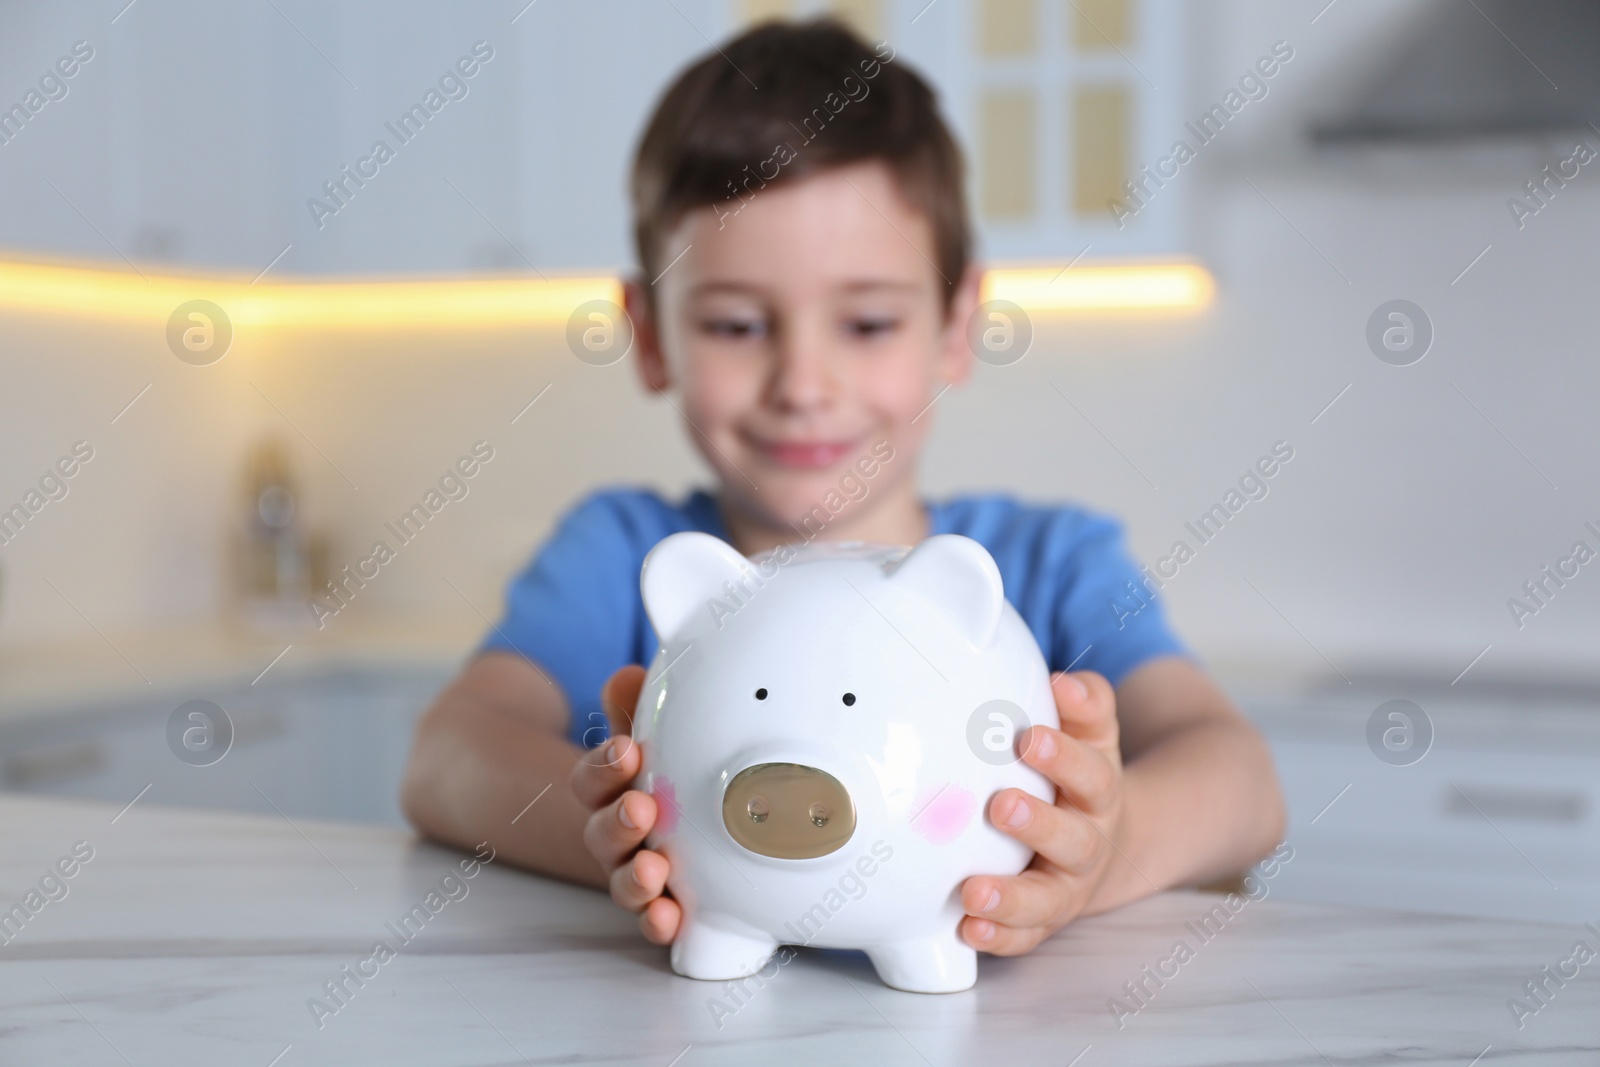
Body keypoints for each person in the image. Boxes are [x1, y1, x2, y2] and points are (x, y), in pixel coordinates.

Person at [401, 17, 1285, 961]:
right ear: (651, 336)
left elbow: (1243, 782)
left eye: (866, 322)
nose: (804, 384)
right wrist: (641, 837)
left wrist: (1103, 855)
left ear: (956, 326)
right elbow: (446, 756)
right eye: (738, 325)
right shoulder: (620, 553)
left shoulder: (1052, 566)